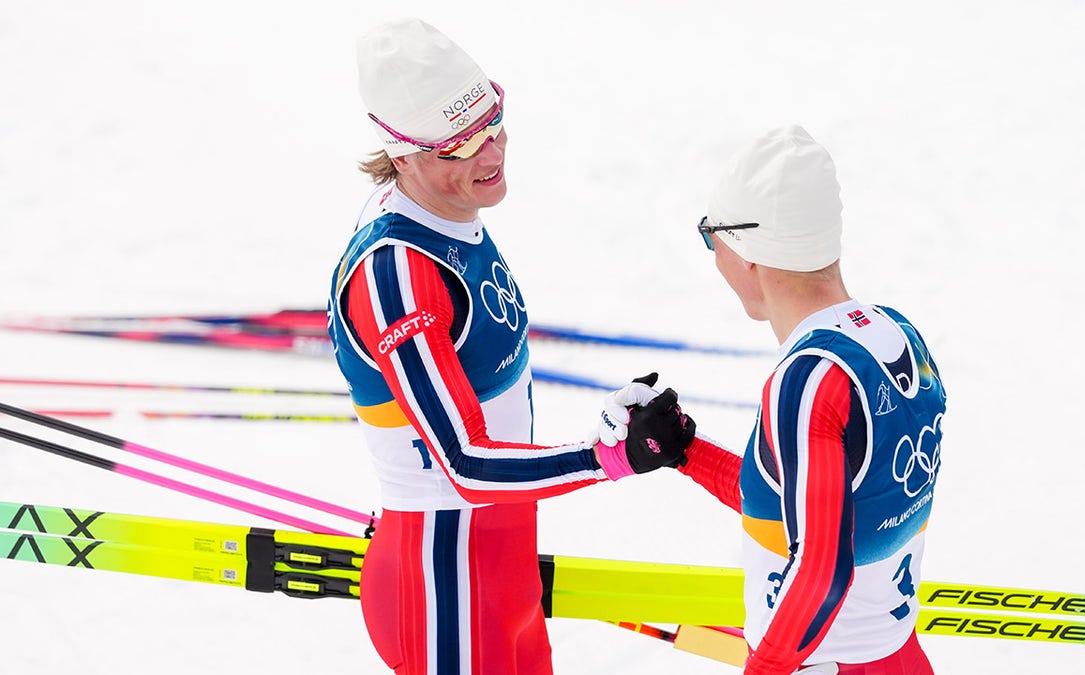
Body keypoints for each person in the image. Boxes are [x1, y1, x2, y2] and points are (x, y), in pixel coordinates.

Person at [325, 18, 693, 675]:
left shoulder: (443, 208)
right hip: (444, 582)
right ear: (401, 152)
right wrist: (608, 454)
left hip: (496, 569)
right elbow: (463, 465)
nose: (489, 155)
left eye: (493, 125)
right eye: (458, 147)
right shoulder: (398, 275)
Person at [601, 126, 946, 674]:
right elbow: (812, 512)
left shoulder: (808, 378)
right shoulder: (895, 334)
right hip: (896, 657)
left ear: (746, 253)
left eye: (711, 238)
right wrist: (686, 451)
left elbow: (822, 567)